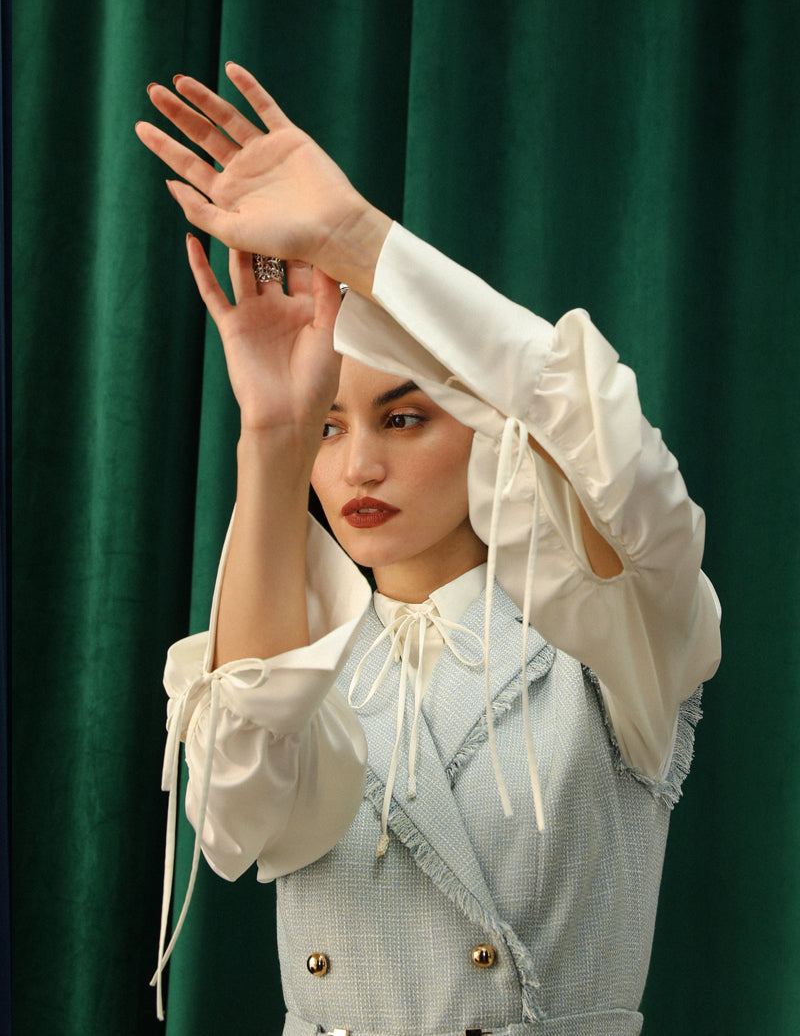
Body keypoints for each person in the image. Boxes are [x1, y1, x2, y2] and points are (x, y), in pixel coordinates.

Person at [136, 63, 721, 1036]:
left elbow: (611, 451)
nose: (358, 466)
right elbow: (236, 824)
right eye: (329, 427)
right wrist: (272, 435)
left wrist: (357, 242)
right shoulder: (298, 654)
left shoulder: (616, 637)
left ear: (485, 429)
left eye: (403, 418)